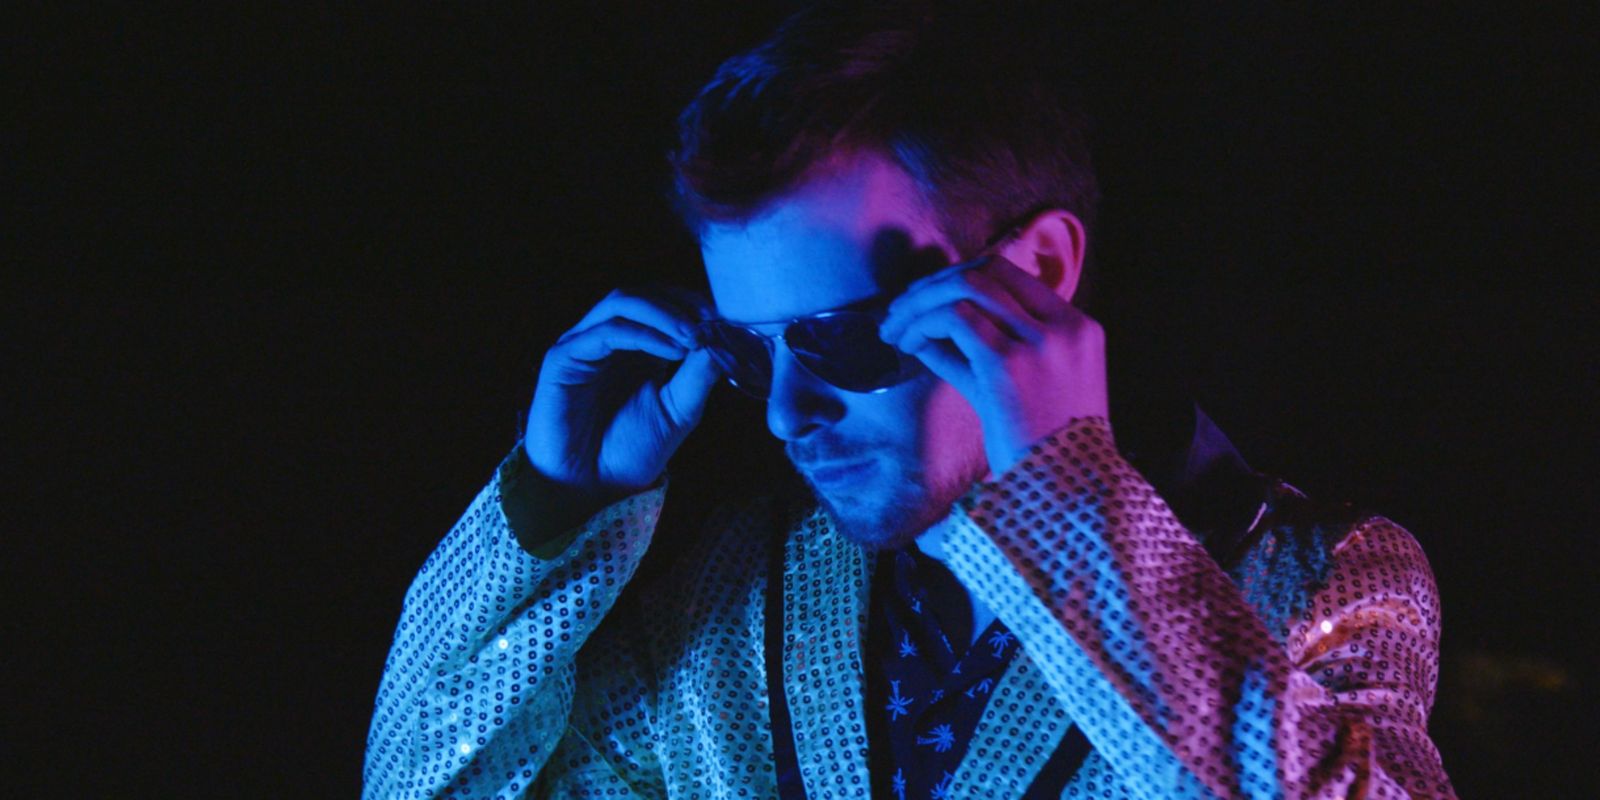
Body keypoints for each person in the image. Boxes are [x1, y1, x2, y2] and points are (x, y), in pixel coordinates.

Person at [364, 3, 1456, 797]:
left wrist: (1067, 498)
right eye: (749, 353)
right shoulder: (728, 600)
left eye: (841, 338)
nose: (787, 411)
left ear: (1038, 267)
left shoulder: (1313, 575)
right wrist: (550, 514)